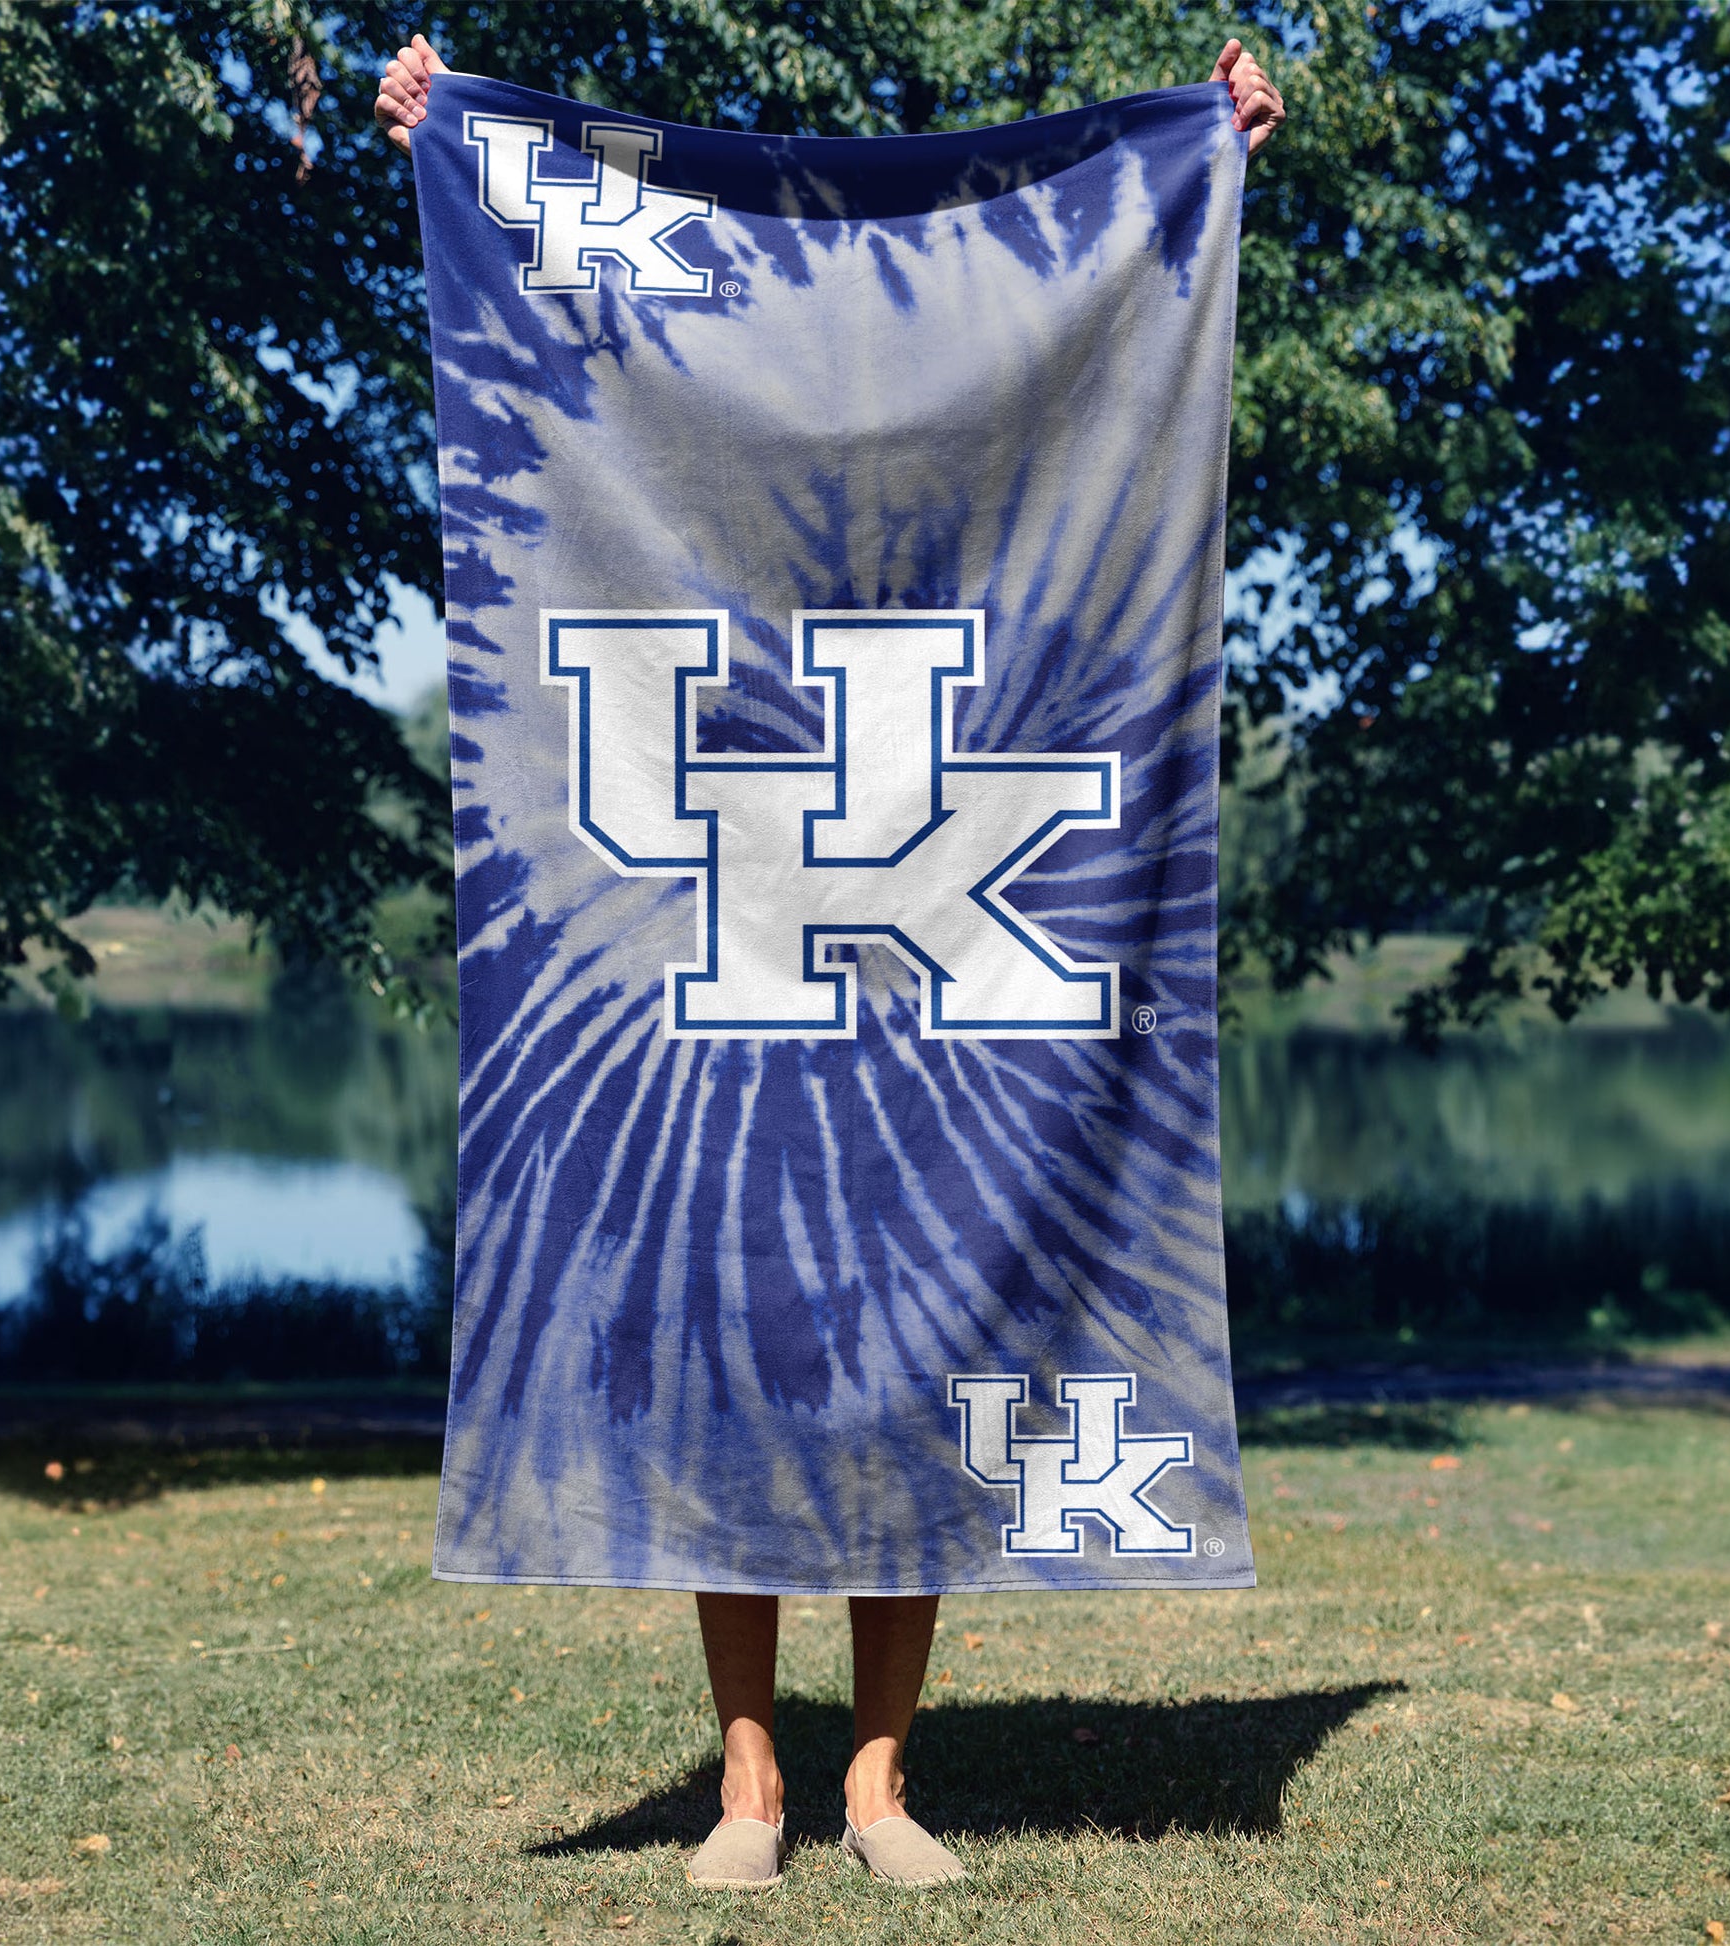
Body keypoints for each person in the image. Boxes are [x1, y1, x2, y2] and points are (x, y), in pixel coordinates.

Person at [374, 27, 1285, 1893]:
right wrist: (449, 135)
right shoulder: (723, 529)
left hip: (948, 984)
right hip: (732, 982)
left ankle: (875, 1781)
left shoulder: (965, 500)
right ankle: (748, 1783)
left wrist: (1206, 153)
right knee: (742, 1378)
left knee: (927, 1370)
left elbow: (1117, 309)